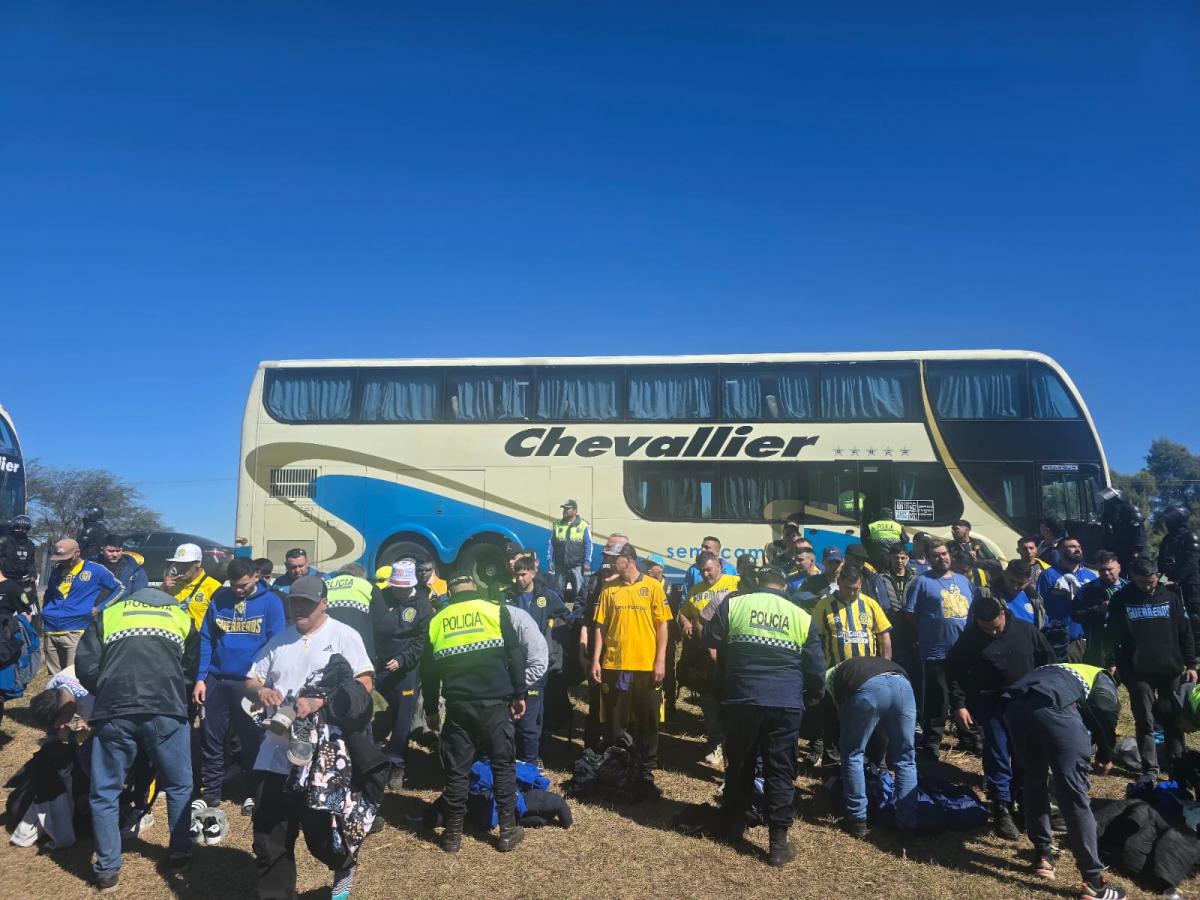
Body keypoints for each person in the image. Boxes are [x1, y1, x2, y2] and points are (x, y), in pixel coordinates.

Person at [245, 574, 377, 899]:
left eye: (306, 602)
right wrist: (262, 691)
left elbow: (365, 683)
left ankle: (343, 862)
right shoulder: (279, 641)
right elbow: (251, 679)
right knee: (269, 837)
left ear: (324, 603)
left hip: (325, 761)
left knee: (324, 833)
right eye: (294, 602)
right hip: (275, 754)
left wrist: (322, 701)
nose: (298, 608)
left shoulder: (345, 635)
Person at [75, 587, 199, 893]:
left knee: (104, 791)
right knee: (179, 784)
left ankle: (107, 871)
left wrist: (106, 688)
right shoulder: (181, 616)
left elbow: (86, 667)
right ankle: (180, 852)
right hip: (165, 710)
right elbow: (188, 670)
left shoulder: (110, 614)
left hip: (114, 710)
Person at [702, 565, 824, 865]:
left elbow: (709, 637)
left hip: (742, 697)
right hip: (785, 702)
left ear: (760, 583)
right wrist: (812, 695)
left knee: (739, 764)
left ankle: (733, 826)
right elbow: (816, 669)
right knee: (780, 769)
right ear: (784, 587)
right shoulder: (801, 616)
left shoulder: (737, 604)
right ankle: (778, 843)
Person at [422, 573, 543, 853]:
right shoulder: (494, 611)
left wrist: (430, 708)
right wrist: (519, 694)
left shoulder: (438, 620)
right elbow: (514, 656)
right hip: (495, 704)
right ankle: (507, 832)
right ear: (475, 590)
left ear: (450, 593)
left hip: (458, 706)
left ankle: (452, 835)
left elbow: (427, 673)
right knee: (502, 766)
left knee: (458, 770)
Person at [1003, 663, 1127, 900]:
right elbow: (1105, 707)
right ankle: (1094, 882)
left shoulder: (1058, 668)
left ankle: (1043, 856)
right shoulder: (1101, 676)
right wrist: (1105, 753)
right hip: (1054, 706)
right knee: (1073, 794)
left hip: (1015, 705)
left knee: (1034, 780)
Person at [948, 595, 1055, 839]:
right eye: (985, 629)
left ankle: (1022, 801)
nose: (992, 633)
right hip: (989, 701)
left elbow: (1048, 661)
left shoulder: (1026, 631)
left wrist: (1045, 692)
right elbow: (955, 671)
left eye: (995, 627)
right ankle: (1001, 807)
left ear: (1003, 615)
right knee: (997, 751)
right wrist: (960, 705)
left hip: (1023, 700)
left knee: (1023, 754)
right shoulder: (971, 637)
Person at [194, 557, 286, 815]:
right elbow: (206, 639)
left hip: (251, 682)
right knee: (211, 737)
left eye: (243, 585)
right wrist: (201, 677)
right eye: (234, 585)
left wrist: (267, 683)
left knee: (252, 739)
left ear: (257, 576)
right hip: (218, 679)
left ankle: (251, 793)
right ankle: (210, 792)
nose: (238, 590)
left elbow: (277, 644)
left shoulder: (271, 603)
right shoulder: (219, 598)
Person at [1104, 557, 1197, 780]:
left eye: (1152, 582)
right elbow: (1111, 634)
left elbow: (1185, 632)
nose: (1148, 587)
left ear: (1158, 576)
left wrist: (1191, 663)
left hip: (1170, 668)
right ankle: (1150, 769)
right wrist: (1112, 661)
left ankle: (1177, 766)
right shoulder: (1121, 599)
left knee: (1174, 718)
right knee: (1144, 719)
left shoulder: (1171, 598)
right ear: (1133, 576)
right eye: (1142, 582)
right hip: (1138, 670)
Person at [591, 541, 671, 797]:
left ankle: (646, 771)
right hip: (616, 666)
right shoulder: (609, 589)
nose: (611, 562)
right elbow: (600, 627)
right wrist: (595, 659)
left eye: (615, 558)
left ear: (629, 559)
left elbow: (662, 626)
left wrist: (660, 661)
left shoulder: (653, 587)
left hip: (646, 667)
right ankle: (619, 767)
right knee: (616, 721)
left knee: (648, 720)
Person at [829, 655, 917, 839]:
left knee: (853, 753)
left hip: (868, 689)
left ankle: (857, 819)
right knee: (906, 758)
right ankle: (907, 824)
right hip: (903, 686)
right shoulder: (866, 663)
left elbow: (838, 712)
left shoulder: (829, 676)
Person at [904, 539, 974, 760]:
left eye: (944, 553)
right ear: (928, 558)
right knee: (937, 700)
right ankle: (931, 741)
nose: (941, 558)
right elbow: (910, 614)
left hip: (962, 651)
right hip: (935, 651)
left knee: (965, 696)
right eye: (935, 555)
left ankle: (969, 737)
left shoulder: (964, 581)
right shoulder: (921, 582)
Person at [504, 556, 569, 765]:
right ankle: (512, 753)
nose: (519, 579)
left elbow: (566, 616)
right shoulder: (506, 596)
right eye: (517, 574)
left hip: (537, 661)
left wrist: (553, 642)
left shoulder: (546, 596)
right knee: (512, 710)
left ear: (533, 573)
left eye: (523, 574)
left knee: (533, 713)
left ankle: (532, 757)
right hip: (512, 660)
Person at [678, 551, 740, 766]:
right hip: (703, 655)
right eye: (702, 570)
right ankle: (715, 743)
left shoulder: (736, 583)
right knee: (709, 701)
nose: (705, 574)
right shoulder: (695, 590)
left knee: (731, 701)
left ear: (720, 566)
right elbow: (683, 612)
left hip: (731, 652)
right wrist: (685, 622)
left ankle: (732, 743)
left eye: (709, 569)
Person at [378, 560, 435, 790]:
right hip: (380, 667)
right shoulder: (382, 597)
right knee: (379, 717)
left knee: (403, 720)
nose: (398, 591)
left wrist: (403, 660)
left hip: (406, 671)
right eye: (395, 586)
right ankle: (375, 762)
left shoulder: (422, 605)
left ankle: (397, 764)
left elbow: (421, 642)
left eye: (402, 587)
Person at [42, 538, 125, 675]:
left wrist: (100, 608)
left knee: (73, 675)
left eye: (67, 557)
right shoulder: (57, 571)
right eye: (60, 558)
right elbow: (49, 593)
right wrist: (46, 612)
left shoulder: (95, 570)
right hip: (50, 629)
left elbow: (120, 589)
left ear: (77, 553)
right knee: (54, 677)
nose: (63, 561)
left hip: (76, 629)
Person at [1038, 538, 1097, 662]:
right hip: (1059, 640)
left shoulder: (1090, 576)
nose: (1077, 549)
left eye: (1079, 547)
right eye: (1072, 546)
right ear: (1060, 551)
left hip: (1086, 640)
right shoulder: (1048, 575)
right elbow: (1041, 608)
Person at [323, 563, 396, 663]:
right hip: (360, 656)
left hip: (326, 654)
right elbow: (386, 626)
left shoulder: (324, 587)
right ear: (361, 577)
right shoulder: (368, 586)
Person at [1071, 552, 1124, 667]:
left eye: (1109, 569)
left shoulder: (1129, 588)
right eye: (1101, 570)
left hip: (1126, 644)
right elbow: (1075, 615)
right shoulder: (1087, 590)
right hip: (1099, 646)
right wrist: (1100, 609)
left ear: (1119, 567)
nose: (1106, 573)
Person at [161, 543, 222, 632]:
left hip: (197, 642)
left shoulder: (213, 587)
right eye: (178, 564)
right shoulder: (171, 585)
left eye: (186, 564)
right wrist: (162, 589)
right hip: (174, 638)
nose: (180, 568)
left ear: (198, 563)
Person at [1158, 506, 1200, 620]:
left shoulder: (1190, 537)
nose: (1167, 523)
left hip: (1190, 585)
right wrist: (1162, 581)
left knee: (1194, 616)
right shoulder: (1167, 539)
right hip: (1169, 584)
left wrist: (1176, 580)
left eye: (1169, 520)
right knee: (1174, 616)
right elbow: (1161, 562)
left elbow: (1191, 563)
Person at [547, 499, 592, 601]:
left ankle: (579, 612)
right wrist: (550, 560)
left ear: (575, 510)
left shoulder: (583, 525)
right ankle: (560, 612)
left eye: (567, 509)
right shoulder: (557, 525)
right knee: (558, 590)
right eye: (564, 509)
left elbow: (589, 545)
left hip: (577, 565)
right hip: (560, 565)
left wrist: (587, 562)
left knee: (579, 591)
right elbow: (551, 544)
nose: (564, 511)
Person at [1099, 487, 1146, 571]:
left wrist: (1137, 551)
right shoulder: (1107, 514)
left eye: (1112, 499)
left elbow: (1139, 532)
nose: (1109, 502)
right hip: (1114, 552)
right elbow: (1105, 534)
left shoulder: (1130, 510)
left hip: (1130, 551)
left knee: (1134, 574)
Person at [0, 514, 38, 614]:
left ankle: (30, 626)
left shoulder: (30, 544)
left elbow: (31, 562)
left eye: (25, 528)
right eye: (19, 528)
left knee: (30, 608)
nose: (21, 530)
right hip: (6, 580)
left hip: (24, 581)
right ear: (13, 527)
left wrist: (33, 574)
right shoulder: (3, 542)